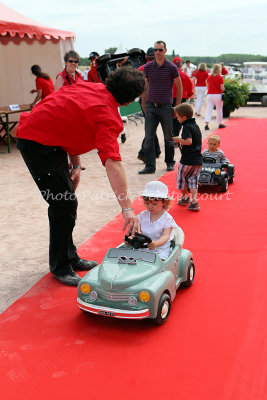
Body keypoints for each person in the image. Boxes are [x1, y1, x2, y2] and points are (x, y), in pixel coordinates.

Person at [16, 67, 146, 286]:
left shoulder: (90, 87)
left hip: (48, 139)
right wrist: (127, 209)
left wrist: (76, 165)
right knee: (63, 204)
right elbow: (113, 163)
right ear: (128, 101)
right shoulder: (108, 116)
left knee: (67, 203)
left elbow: (67, 123)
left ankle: (69, 256)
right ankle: (60, 266)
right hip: (36, 142)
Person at [139, 40, 182, 174]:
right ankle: (150, 166)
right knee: (149, 138)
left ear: (165, 51)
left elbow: (179, 88)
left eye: (160, 50)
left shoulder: (172, 67)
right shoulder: (148, 68)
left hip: (166, 107)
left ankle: (170, 162)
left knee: (168, 138)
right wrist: (143, 102)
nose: (157, 52)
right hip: (151, 106)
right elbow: (145, 87)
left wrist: (177, 107)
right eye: (155, 50)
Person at [137, 181, 178, 260]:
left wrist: (156, 243)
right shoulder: (142, 215)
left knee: (158, 262)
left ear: (164, 202)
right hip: (143, 247)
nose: (150, 207)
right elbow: (136, 230)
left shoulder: (167, 219)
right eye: (147, 203)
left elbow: (165, 236)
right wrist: (131, 238)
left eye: (154, 204)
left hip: (159, 249)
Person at [173, 103, 202, 211]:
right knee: (193, 180)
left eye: (178, 116)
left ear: (184, 117)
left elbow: (188, 142)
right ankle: (194, 202)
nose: (177, 118)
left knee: (181, 179)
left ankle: (185, 198)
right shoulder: (195, 126)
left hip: (187, 160)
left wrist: (178, 139)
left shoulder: (186, 127)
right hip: (198, 160)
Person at [137, 47, 161, 163]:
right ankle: (143, 152)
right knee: (151, 129)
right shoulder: (160, 67)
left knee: (151, 128)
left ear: (145, 57)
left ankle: (156, 151)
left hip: (144, 100)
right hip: (156, 100)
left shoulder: (140, 69)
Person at [172, 57, 194, 137]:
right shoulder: (184, 75)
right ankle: (175, 135)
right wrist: (188, 96)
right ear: (181, 65)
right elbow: (190, 89)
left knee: (169, 119)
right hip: (181, 99)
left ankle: (170, 136)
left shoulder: (168, 75)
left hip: (169, 99)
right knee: (179, 118)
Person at [204, 64, 227, 131]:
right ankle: (219, 123)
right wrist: (223, 89)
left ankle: (206, 124)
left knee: (209, 110)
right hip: (217, 95)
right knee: (219, 110)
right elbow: (222, 88)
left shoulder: (209, 77)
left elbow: (207, 87)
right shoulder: (220, 77)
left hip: (209, 95)